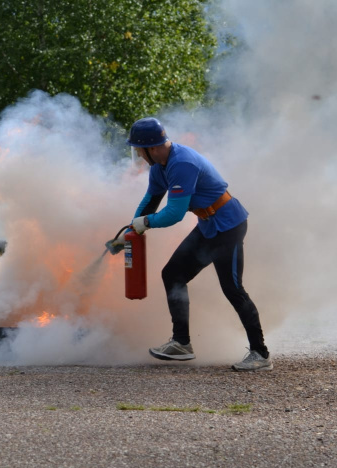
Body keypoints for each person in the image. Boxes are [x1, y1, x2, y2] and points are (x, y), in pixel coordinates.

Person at [111, 117, 271, 371]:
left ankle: (260, 354)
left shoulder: (181, 163)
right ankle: (182, 344)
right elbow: (150, 202)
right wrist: (131, 229)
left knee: (232, 288)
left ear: (152, 148)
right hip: (209, 225)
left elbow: (173, 214)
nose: (139, 155)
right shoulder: (159, 166)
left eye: (139, 150)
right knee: (173, 274)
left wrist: (145, 224)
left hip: (228, 225)